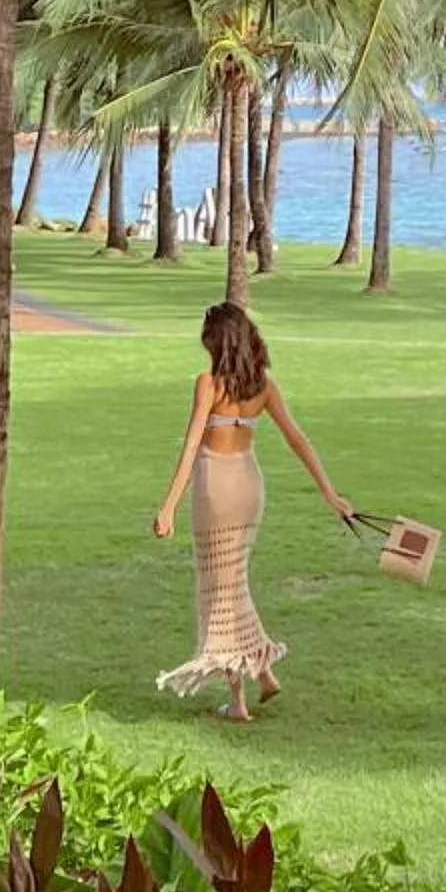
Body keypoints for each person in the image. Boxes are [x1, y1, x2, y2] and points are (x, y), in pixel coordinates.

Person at [153, 302, 351, 720]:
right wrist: (330, 493)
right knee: (232, 584)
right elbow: (298, 439)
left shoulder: (208, 384)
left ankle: (240, 702)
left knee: (218, 592)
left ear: (216, 341)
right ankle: (261, 675)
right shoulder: (263, 387)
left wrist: (168, 505)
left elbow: (192, 445)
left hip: (216, 488)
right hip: (248, 486)